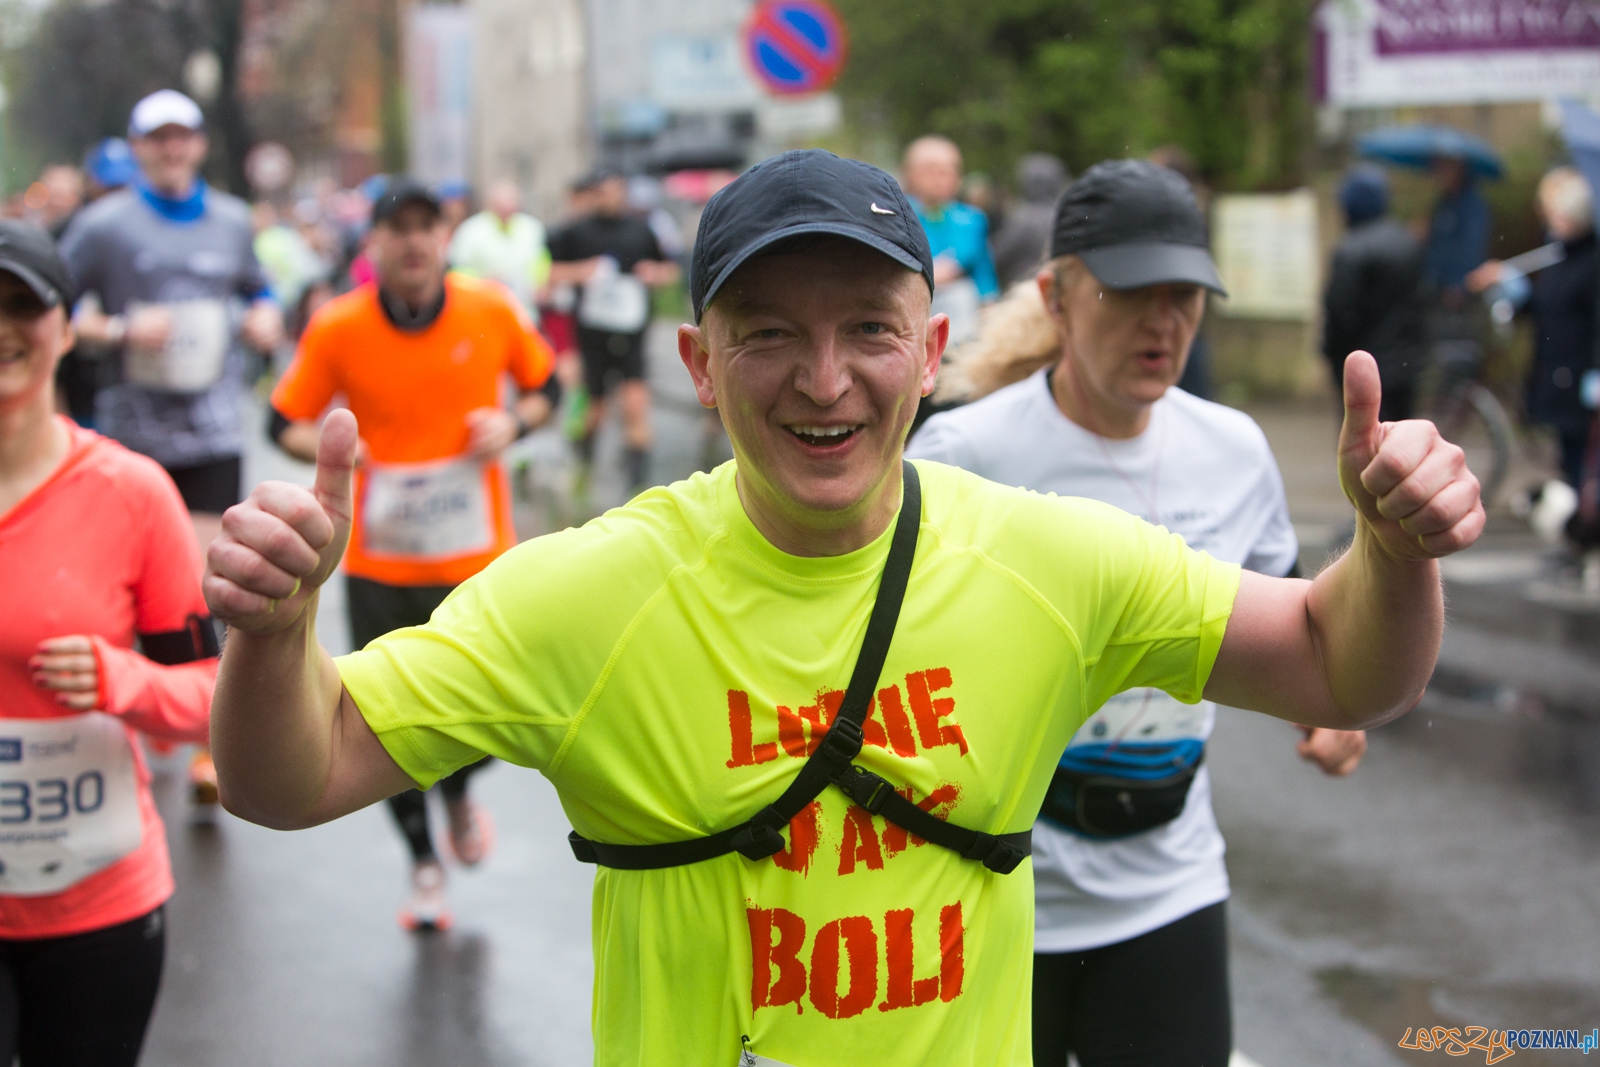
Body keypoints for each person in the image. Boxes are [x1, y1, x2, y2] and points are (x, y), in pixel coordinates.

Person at [202, 149, 1482, 1066]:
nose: (825, 381)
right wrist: (274, 634)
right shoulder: (587, 594)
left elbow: (1340, 664)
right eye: (767, 334)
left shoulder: (1048, 561)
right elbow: (289, 775)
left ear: (930, 354)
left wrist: (1392, 545)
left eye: (870, 328)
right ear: (700, 366)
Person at [910, 159, 1369, 1067]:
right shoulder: (964, 455)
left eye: (1184, 296)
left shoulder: (1233, 449)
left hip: (1169, 891)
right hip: (994, 897)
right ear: (1055, 296)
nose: (1164, 323)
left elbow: (1295, 618)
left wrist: (1325, 709)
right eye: (1129, 293)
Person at [267, 179, 557, 930]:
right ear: (374, 242)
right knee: (382, 724)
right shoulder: (338, 326)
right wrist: (335, 448)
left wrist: (514, 425)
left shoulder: (491, 309)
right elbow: (282, 422)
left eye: (427, 226)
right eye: (398, 227)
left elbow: (546, 388)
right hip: (381, 563)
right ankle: (424, 861)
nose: (414, 240)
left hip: (477, 560)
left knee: (489, 716)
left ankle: (457, 793)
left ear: (445, 237)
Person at [0, 220, 215, 1064]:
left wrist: (122, 678)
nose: (2, 326)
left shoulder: (133, 493)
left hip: (97, 910)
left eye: (22, 304)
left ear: (66, 327)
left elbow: (210, 698)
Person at [59, 88, 282, 820]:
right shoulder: (103, 227)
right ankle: (144, 700)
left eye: (183, 135)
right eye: (158, 138)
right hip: (134, 432)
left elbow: (261, 290)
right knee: (134, 580)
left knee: (202, 577)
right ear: (138, 148)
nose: (172, 148)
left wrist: (264, 317)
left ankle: (202, 743)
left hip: (213, 429)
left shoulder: (231, 219)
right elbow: (58, 310)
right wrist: (123, 330)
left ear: (199, 144)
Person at [547, 169, 679, 494]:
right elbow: (548, 272)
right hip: (592, 332)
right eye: (603, 191)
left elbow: (670, 271)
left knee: (636, 403)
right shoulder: (576, 232)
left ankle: (638, 484)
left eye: (615, 190)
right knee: (596, 409)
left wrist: (655, 273)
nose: (609, 197)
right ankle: (583, 463)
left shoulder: (641, 229)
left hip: (632, 331)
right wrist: (582, 272)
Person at [1469, 168, 1598, 490]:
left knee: (1585, 457)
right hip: (1559, 372)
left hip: (1579, 371)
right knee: (1570, 455)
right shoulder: (1560, 256)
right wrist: (1511, 287)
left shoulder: (1591, 264)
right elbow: (1547, 308)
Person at [1323, 165, 1427, 423]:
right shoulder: (1407, 241)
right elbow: (1422, 299)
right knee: (1402, 434)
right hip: (1407, 365)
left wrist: (1332, 355)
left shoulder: (1351, 249)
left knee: (1362, 436)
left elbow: (1341, 312)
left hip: (1365, 368)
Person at [902, 135, 1000, 345]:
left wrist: (989, 305)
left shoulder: (972, 219)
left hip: (961, 320)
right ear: (911, 174)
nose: (944, 179)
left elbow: (984, 274)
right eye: (934, 171)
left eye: (951, 171)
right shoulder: (896, 216)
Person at [448, 178, 550, 321]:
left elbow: (541, 261)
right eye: (501, 206)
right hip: (483, 313)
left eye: (511, 205)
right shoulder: (470, 230)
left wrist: (542, 284)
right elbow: (456, 272)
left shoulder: (532, 228)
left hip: (525, 314)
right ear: (490, 205)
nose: (506, 211)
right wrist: (483, 280)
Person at [991, 154, 1068, 291]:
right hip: (1055, 290)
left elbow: (996, 255)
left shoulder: (1022, 218)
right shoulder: (1065, 215)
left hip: (1024, 289)